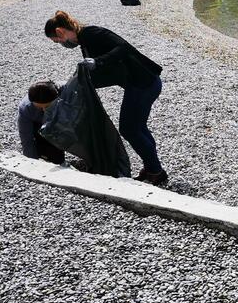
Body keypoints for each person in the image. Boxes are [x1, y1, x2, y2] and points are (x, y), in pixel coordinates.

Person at [44, 10, 167, 185]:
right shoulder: (84, 42)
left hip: (144, 83)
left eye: (58, 41)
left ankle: (156, 171)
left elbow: (123, 47)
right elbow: (97, 74)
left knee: (130, 129)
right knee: (138, 128)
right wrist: (71, 84)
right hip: (138, 84)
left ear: (60, 32)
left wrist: (99, 61)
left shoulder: (92, 33)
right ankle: (152, 168)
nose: (61, 44)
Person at [18, 81, 65, 164]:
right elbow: (27, 140)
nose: (44, 110)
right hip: (43, 125)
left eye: (47, 106)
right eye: (39, 107)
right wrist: (32, 163)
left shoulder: (67, 91)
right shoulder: (26, 108)